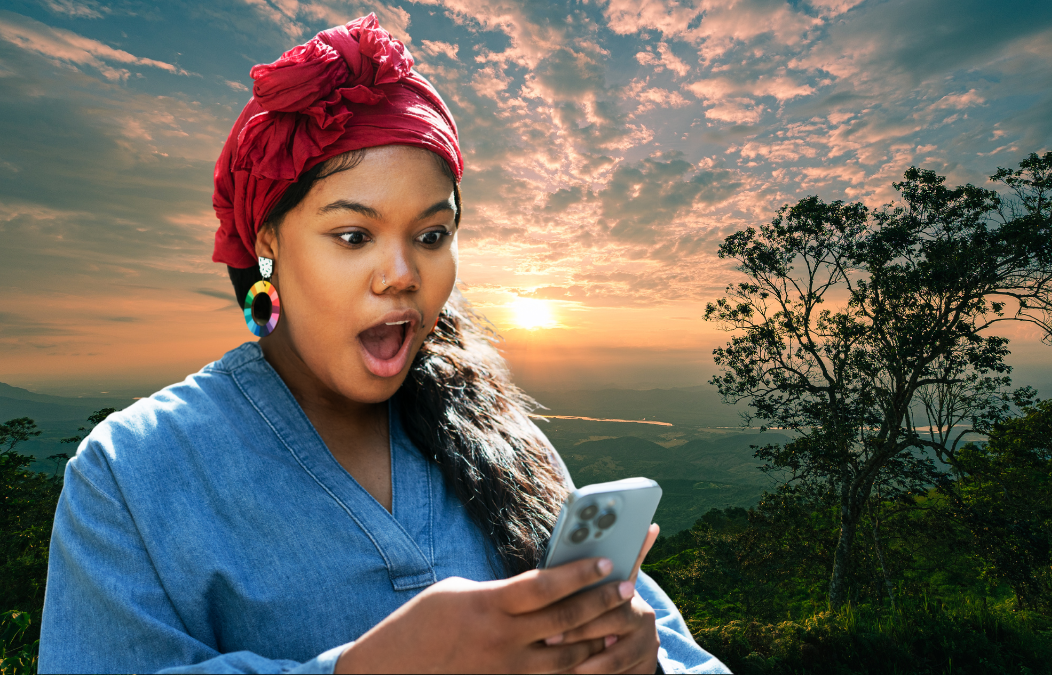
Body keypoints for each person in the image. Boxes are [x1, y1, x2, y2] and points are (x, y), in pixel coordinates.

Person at [38, 14, 729, 675]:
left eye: (431, 236)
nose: (402, 275)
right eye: (354, 236)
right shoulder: (131, 473)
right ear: (268, 242)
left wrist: (647, 660)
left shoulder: (506, 442)